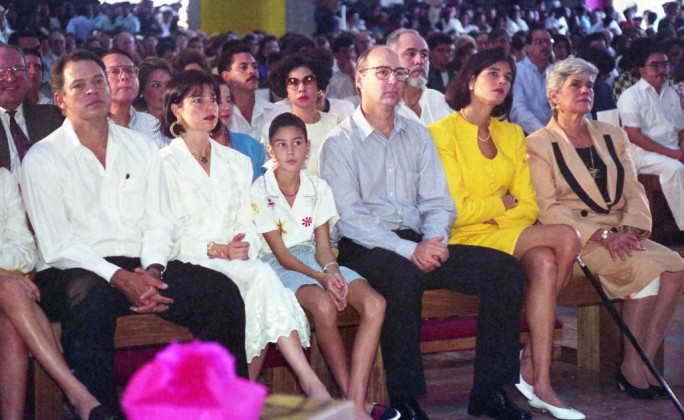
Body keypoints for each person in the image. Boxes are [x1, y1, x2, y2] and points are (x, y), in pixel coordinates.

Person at [19, 49, 248, 412]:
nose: (93, 90)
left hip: (142, 263)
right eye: (79, 85)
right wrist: (120, 278)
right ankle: (100, 410)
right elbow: (57, 244)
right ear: (60, 100)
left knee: (219, 292)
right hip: (75, 270)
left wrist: (153, 271)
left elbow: (159, 220)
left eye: (98, 81)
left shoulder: (141, 148)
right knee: (90, 299)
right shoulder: (43, 158)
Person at [320, 45, 530, 420]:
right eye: (382, 73)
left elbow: (439, 201)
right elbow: (350, 219)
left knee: (505, 270)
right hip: (365, 245)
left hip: (418, 240)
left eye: (398, 74)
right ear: (359, 79)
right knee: (402, 278)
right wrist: (408, 249)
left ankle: (489, 391)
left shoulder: (417, 135)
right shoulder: (340, 143)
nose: (392, 81)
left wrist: (435, 240)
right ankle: (404, 398)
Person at [429, 48, 584, 420]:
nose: (502, 81)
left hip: (513, 233)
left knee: (546, 260)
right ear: (470, 80)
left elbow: (529, 204)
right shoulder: (441, 133)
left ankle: (540, 379)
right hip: (467, 238)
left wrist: (504, 206)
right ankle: (530, 362)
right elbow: (458, 209)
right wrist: (503, 204)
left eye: (508, 77)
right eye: (493, 74)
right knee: (566, 237)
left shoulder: (512, 133)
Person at [158, 70, 329, 398]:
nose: (211, 106)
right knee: (258, 279)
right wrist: (215, 248)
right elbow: (163, 232)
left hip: (238, 261)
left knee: (257, 276)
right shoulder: (164, 163)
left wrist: (239, 245)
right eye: (198, 100)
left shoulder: (234, 161)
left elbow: (245, 222)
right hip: (189, 261)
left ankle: (257, 391)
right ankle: (305, 383)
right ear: (177, 109)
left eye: (213, 98)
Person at [527, 57, 684, 401]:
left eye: (588, 86)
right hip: (577, 237)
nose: (585, 91)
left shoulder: (610, 134)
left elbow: (634, 189)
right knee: (646, 268)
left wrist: (631, 228)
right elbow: (548, 207)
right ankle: (631, 365)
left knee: (676, 267)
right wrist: (601, 235)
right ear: (553, 96)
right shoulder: (539, 143)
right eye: (575, 86)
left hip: (622, 230)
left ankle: (644, 357)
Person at [251, 112, 395, 420]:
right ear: (270, 150)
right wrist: (320, 277)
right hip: (278, 264)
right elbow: (281, 254)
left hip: (316, 260)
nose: (290, 151)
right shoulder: (260, 191)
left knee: (375, 302)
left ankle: (354, 401)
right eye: (281, 144)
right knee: (325, 306)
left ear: (307, 147)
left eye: (297, 143)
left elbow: (323, 246)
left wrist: (332, 271)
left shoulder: (319, 188)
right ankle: (352, 406)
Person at [0, 167, 114, 420]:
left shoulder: (3, 180)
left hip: (6, 294)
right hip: (7, 286)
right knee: (10, 287)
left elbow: (26, 251)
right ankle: (79, 396)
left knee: (11, 321)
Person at [616, 43, 684, 231]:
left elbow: (681, 130)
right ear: (641, 70)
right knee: (676, 169)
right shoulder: (631, 96)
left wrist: (681, 148)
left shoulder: (670, 93)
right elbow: (634, 135)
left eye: (665, 64)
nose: (662, 70)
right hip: (642, 154)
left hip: (671, 150)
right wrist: (673, 153)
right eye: (655, 65)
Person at [265, 54, 343, 175]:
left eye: (308, 80)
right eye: (293, 82)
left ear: (319, 86)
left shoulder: (338, 124)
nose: (301, 88)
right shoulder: (272, 129)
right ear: (286, 90)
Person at [0, 45, 63, 175]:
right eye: (1, 71)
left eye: (18, 69)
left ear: (28, 77)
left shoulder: (53, 118)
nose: (11, 78)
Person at [101, 49, 169, 149]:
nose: (124, 76)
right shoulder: (92, 127)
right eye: (114, 71)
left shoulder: (152, 124)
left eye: (129, 70)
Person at [386, 29, 453, 127]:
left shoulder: (442, 102)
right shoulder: (381, 109)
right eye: (411, 54)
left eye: (424, 55)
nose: (420, 61)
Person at [211, 75, 265, 180]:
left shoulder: (251, 146)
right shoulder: (195, 150)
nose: (226, 107)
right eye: (218, 102)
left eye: (228, 100)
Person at [218, 44, 277, 139]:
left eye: (254, 66)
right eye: (244, 67)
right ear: (226, 76)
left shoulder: (274, 111)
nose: (252, 71)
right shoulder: (220, 115)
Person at [511, 28, 554, 134]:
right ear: (527, 47)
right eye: (539, 42)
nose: (545, 46)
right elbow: (517, 110)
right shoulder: (517, 72)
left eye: (548, 42)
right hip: (528, 135)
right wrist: (545, 134)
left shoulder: (558, 72)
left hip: (560, 134)